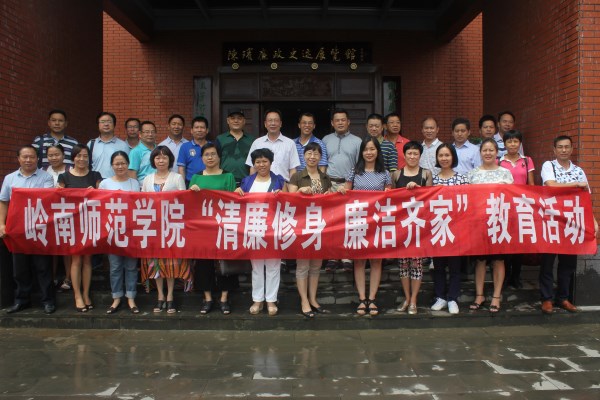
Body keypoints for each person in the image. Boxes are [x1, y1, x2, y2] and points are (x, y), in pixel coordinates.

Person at [539, 135, 599, 314]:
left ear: (572, 149)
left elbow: (585, 198)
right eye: (560, 147)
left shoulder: (579, 171)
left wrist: (593, 220)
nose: (564, 150)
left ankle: (563, 298)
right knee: (547, 262)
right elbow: (551, 185)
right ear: (554, 149)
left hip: (572, 222)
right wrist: (575, 185)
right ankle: (546, 299)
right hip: (551, 220)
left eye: (567, 147)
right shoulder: (549, 166)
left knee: (568, 263)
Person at [337, 137, 391, 316]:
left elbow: (389, 197)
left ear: (378, 151)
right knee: (359, 261)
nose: (369, 152)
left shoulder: (385, 173)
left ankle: (372, 298)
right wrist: (342, 190)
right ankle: (362, 298)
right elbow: (346, 192)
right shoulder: (355, 171)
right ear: (361, 152)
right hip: (358, 221)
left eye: (372, 149)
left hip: (377, 221)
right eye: (366, 149)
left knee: (376, 261)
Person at [0, 145, 55, 314]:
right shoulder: (10, 178)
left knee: (42, 266)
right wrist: (2, 224)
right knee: (20, 268)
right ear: (18, 159)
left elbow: (46, 199)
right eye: (25, 157)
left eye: (32, 157)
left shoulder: (46, 177)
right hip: (17, 230)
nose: (28, 160)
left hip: (39, 229)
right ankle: (21, 300)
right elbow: (4, 201)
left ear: (37, 159)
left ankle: (47, 301)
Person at [235, 148, 287, 316]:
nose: (261, 164)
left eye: (265, 161)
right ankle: (257, 300)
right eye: (258, 162)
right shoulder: (246, 181)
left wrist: (283, 194)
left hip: (273, 228)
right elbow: (239, 203)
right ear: (253, 164)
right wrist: (236, 193)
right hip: (253, 228)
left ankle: (271, 300)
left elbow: (288, 202)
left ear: (271, 163)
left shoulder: (279, 180)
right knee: (256, 267)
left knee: (273, 266)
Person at [141, 146, 191, 314]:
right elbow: (142, 202)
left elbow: (184, 202)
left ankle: (170, 296)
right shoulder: (147, 179)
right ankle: (160, 295)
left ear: (170, 160)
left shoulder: (177, 177)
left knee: (170, 263)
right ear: (153, 160)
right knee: (155, 262)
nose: (161, 160)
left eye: (164, 157)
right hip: (153, 227)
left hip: (171, 226)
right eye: (157, 157)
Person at [467, 138, 514, 313]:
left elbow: (512, 198)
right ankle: (479, 295)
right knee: (480, 260)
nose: (488, 153)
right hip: (478, 223)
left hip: (499, 222)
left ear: (497, 153)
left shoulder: (505, 174)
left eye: (491, 150)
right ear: (480, 153)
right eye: (484, 150)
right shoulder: (472, 174)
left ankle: (496, 296)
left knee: (498, 260)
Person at [189, 143, 236, 315]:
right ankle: (207, 297)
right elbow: (189, 204)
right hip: (202, 228)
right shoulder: (196, 178)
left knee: (226, 261)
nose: (210, 157)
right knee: (203, 263)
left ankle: (224, 297)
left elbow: (233, 202)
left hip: (224, 226)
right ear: (202, 158)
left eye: (213, 154)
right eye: (206, 154)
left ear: (219, 157)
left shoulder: (228, 176)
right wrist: (191, 192)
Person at [288, 142, 333, 318]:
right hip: (303, 226)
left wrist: (332, 195)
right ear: (304, 156)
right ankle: (304, 301)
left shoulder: (325, 177)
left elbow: (331, 202)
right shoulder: (297, 177)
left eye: (316, 154)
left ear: (320, 157)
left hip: (320, 226)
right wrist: (299, 191)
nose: (312, 157)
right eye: (309, 153)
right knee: (303, 265)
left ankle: (313, 299)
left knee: (316, 265)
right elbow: (290, 200)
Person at [57, 144, 102, 312]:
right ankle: (77, 295)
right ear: (73, 157)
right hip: (72, 223)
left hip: (90, 222)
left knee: (88, 260)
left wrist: (96, 191)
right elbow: (57, 199)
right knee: (76, 260)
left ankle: (86, 293)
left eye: (85, 156)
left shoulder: (95, 175)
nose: (82, 159)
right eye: (78, 156)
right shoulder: (64, 176)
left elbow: (102, 197)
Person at [391, 141, 432, 315]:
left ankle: (414, 300)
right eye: (409, 153)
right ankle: (407, 298)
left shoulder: (426, 173)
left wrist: (418, 190)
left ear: (420, 155)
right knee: (403, 265)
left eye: (416, 153)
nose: (412, 156)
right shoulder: (396, 174)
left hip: (418, 226)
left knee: (416, 264)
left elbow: (430, 197)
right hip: (401, 225)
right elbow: (391, 199)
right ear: (404, 155)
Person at [99, 151, 141, 314]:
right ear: (112, 166)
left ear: (128, 164)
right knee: (115, 267)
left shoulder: (134, 183)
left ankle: (131, 297)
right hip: (112, 232)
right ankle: (116, 297)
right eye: (117, 164)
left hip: (131, 231)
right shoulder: (105, 184)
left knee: (131, 266)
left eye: (123, 163)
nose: (120, 166)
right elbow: (99, 206)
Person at [430, 144, 469, 315]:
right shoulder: (432, 179)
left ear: (453, 157)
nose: (444, 158)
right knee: (438, 266)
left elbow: (467, 202)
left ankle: (453, 298)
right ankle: (440, 297)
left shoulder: (462, 178)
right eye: (441, 155)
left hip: (456, 228)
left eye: (447, 155)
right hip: (437, 227)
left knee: (454, 266)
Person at [322, 109, 361, 271]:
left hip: (348, 185)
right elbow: (322, 164)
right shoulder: (325, 140)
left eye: (343, 120)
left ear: (348, 122)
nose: (340, 123)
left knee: (347, 222)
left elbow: (359, 166)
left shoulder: (357, 141)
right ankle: (332, 256)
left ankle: (346, 256)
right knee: (331, 222)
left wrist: (351, 186)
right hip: (330, 184)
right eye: (337, 120)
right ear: (332, 123)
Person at [498, 129, 535, 289]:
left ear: (520, 143)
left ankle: (516, 277)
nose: (512, 144)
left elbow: (531, 184)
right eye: (509, 141)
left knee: (520, 242)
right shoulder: (499, 162)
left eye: (515, 141)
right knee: (506, 241)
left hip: (522, 206)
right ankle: (506, 277)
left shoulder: (527, 160)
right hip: (505, 206)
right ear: (504, 144)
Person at [44, 144, 72, 291]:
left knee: (66, 247)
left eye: (57, 154)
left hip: (67, 212)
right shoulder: (43, 171)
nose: (54, 158)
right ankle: (53, 277)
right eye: (50, 155)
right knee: (52, 247)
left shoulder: (70, 170)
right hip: (49, 213)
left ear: (63, 155)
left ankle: (68, 278)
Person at [245, 109, 300, 182]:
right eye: (270, 120)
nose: (273, 123)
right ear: (265, 124)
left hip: (283, 185)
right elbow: (253, 167)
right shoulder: (257, 143)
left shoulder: (290, 143)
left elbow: (293, 169)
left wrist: (291, 186)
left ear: (280, 123)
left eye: (276, 120)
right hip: (261, 185)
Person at [216, 109, 255, 186]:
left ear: (244, 121)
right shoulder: (220, 139)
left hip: (246, 181)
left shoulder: (252, 140)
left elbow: (255, 162)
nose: (236, 121)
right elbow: (216, 160)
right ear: (228, 121)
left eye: (239, 118)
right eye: (233, 118)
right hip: (224, 180)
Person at [87, 112, 130, 179]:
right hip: (95, 182)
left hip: (115, 182)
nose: (106, 124)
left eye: (109, 122)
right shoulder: (91, 144)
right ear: (98, 125)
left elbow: (127, 167)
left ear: (114, 125)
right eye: (102, 122)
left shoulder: (123, 145)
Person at [178, 116, 212, 187]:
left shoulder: (212, 146)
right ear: (191, 131)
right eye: (196, 127)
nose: (199, 130)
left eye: (202, 127)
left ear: (207, 130)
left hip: (210, 182)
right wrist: (182, 187)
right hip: (191, 184)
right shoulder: (185, 147)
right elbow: (181, 169)